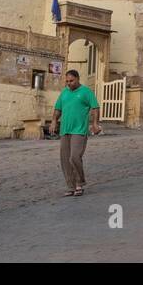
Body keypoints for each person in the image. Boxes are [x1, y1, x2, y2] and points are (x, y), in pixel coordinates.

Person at [51, 69, 100, 197]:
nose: (69, 83)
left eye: (71, 81)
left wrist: (94, 124)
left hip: (79, 130)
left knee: (74, 157)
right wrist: (54, 121)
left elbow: (95, 108)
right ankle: (71, 186)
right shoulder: (64, 93)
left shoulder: (86, 92)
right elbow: (58, 109)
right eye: (67, 81)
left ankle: (80, 182)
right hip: (65, 130)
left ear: (78, 79)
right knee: (65, 159)